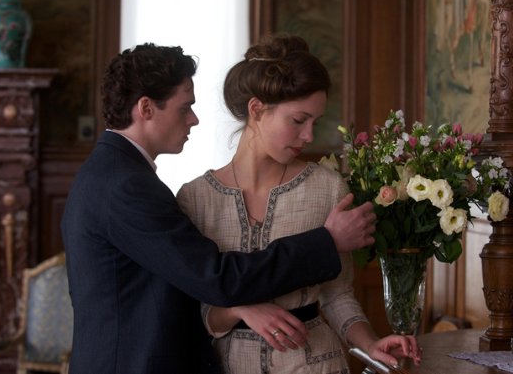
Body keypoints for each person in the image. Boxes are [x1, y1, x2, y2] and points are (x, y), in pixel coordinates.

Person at [60, 43, 377, 374]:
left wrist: (369, 344)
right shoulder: (128, 185)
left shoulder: (114, 174)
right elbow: (215, 278)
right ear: (146, 108)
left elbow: (193, 283)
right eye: (185, 107)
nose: (194, 119)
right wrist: (327, 241)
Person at [176, 34, 422, 373]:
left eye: (314, 123)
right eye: (298, 120)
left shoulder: (327, 188)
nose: (309, 136)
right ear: (256, 109)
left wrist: (369, 344)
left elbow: (337, 295)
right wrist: (237, 309)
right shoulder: (195, 198)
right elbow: (192, 307)